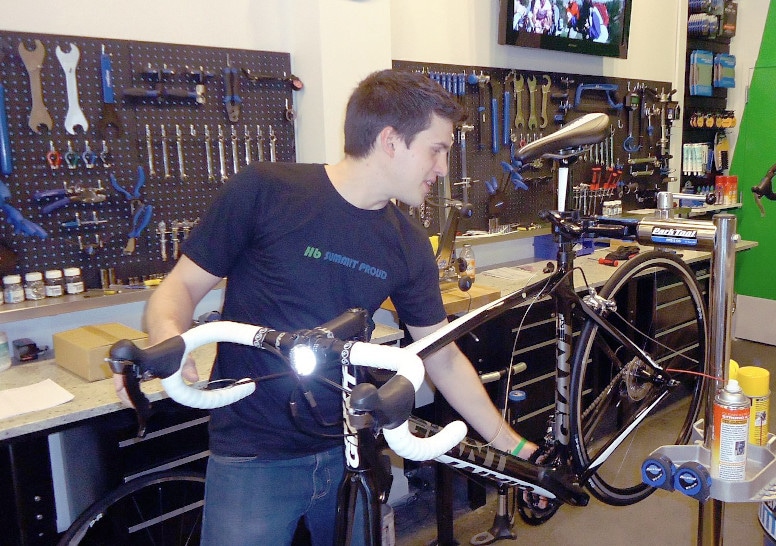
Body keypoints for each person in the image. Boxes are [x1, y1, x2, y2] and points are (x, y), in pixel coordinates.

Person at [115, 69, 536, 545]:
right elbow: (179, 290)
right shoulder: (265, 191)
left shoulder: (410, 244)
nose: (442, 167)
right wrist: (169, 338)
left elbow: (440, 354)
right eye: (437, 149)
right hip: (253, 457)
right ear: (391, 141)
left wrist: (513, 448)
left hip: (350, 451)